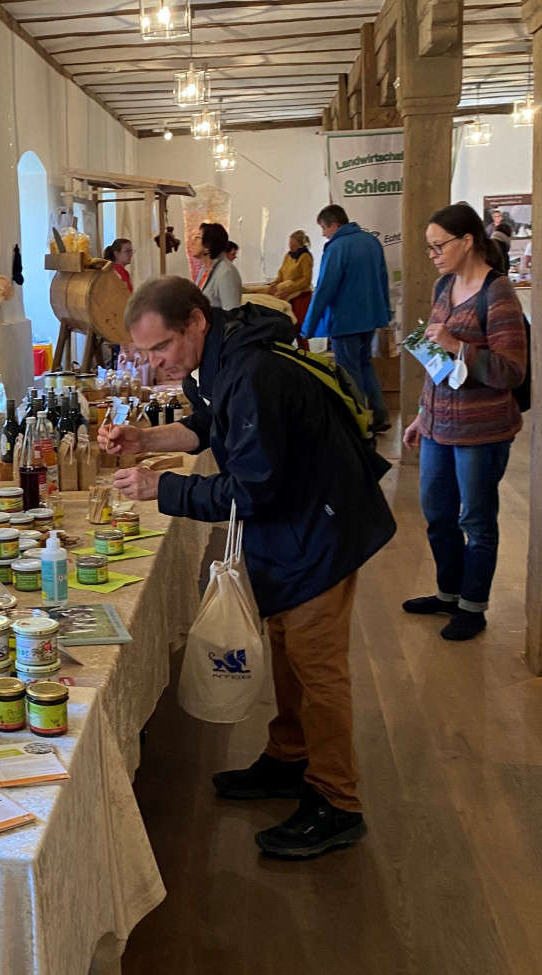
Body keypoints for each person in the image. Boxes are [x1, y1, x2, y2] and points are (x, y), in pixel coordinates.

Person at [100, 276, 395, 859]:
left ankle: (338, 802)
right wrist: (145, 436)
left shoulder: (253, 372)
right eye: (147, 353)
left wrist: (164, 487)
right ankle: (291, 759)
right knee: (287, 646)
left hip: (321, 528)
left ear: (195, 321)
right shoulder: (219, 360)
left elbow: (252, 490)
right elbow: (209, 426)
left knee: (318, 667)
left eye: (161, 349)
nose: (156, 363)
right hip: (296, 524)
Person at [402, 204, 528, 641]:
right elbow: (434, 362)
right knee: (437, 513)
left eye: (439, 245)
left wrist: (460, 347)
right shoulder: (444, 286)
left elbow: (513, 370)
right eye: (429, 247)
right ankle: (448, 594)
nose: (433, 254)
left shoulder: (499, 293)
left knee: (475, 519)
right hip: (439, 425)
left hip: (482, 430)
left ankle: (473, 606)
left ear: (467, 241)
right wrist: (421, 414)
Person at [302, 205, 392, 432]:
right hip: (370, 318)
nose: (323, 234)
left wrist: (308, 327)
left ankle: (359, 421)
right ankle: (380, 414)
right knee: (365, 364)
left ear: (333, 224)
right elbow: (383, 280)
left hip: (345, 320)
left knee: (349, 371)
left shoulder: (337, 247)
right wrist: (383, 314)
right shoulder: (371, 242)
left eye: (323, 228)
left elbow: (324, 289)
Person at [260, 230, 314, 331]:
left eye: (294, 245)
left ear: (300, 245)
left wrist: (290, 289)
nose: (291, 248)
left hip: (301, 295)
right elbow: (281, 274)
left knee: (299, 326)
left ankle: (304, 347)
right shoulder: (288, 256)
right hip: (286, 293)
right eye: (290, 245)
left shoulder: (305, 257)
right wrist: (274, 284)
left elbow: (306, 279)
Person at [190, 222, 242, 311]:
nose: (193, 242)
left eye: (197, 237)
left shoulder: (226, 272)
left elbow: (231, 314)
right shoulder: (204, 269)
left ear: (208, 245)